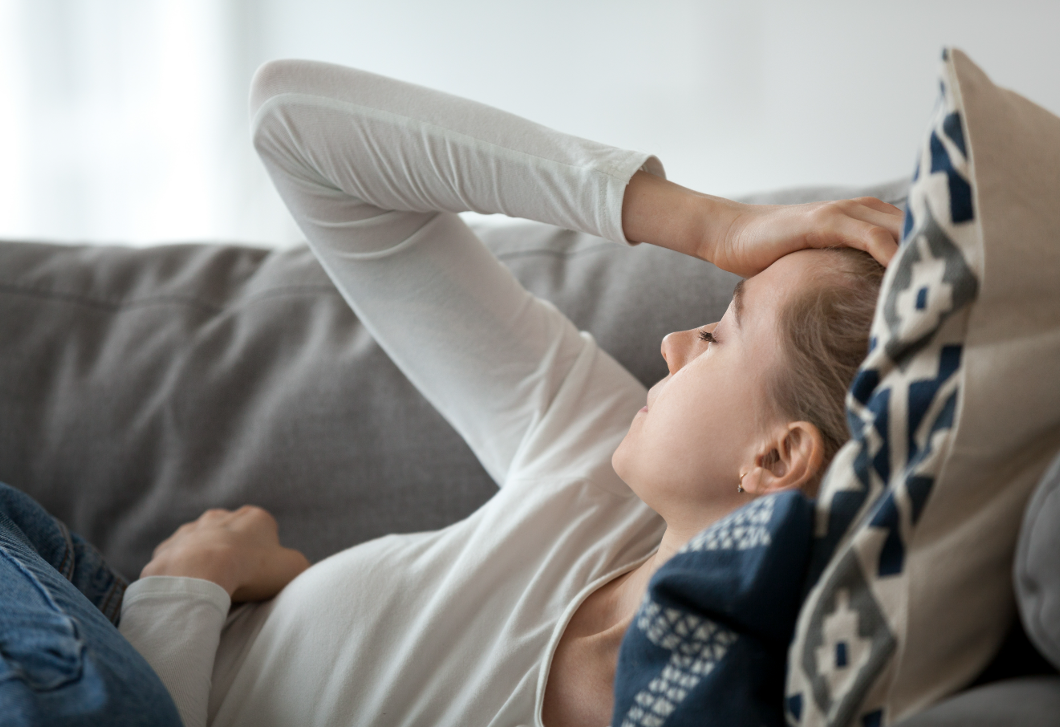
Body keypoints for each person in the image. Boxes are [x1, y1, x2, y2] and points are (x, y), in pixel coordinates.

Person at [0, 59, 900, 727]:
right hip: (62, 614)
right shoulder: (587, 460)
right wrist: (712, 222)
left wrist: (186, 590)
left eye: (718, 333)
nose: (672, 340)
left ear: (776, 455)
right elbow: (297, 126)